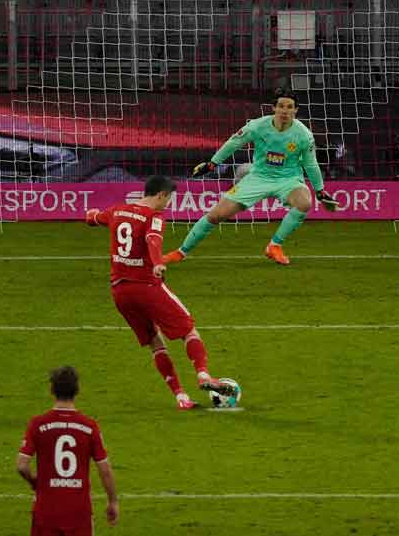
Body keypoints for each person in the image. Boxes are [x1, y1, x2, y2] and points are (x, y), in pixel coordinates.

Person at [85, 175, 235, 410]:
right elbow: (152, 240)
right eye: (169, 199)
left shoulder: (117, 211)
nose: (168, 204)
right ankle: (203, 374)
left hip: (120, 293)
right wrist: (157, 263)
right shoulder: (153, 217)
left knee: (155, 342)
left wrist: (91, 216)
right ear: (161, 195)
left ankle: (181, 397)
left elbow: (93, 217)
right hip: (146, 286)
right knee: (188, 329)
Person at [162, 87, 338, 267]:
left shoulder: (304, 135)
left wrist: (320, 191)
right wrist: (212, 164)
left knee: (304, 202)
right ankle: (181, 252)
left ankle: (274, 245)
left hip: (289, 179)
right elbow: (234, 142)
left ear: (295, 110)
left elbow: (310, 164)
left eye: (289, 107)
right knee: (216, 215)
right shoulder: (257, 126)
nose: (285, 111)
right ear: (273, 108)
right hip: (258, 177)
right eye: (281, 106)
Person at [17, 366, 119, 536]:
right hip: (79, 513)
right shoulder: (89, 426)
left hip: (45, 512)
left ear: (52, 389)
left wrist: (34, 482)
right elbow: (105, 470)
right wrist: (113, 501)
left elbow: (21, 465)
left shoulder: (37, 424)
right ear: (77, 390)